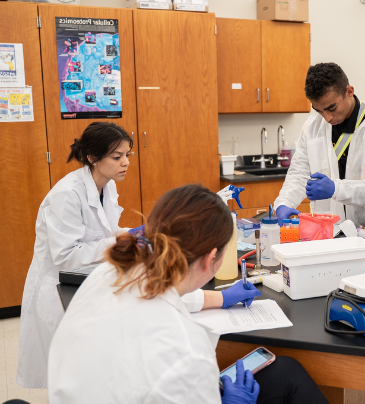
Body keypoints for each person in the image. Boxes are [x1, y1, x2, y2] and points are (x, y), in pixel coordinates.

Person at [48, 184, 330, 404]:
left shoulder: (109, 273)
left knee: (285, 372)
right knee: (288, 380)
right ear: (211, 260)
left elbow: (164, 294)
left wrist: (220, 298)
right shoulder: (188, 353)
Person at [16, 122, 218, 388]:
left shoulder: (106, 185)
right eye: (117, 157)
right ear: (92, 158)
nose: (125, 163)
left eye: (127, 156)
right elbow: (66, 255)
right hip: (58, 285)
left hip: (88, 278)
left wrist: (129, 234)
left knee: (89, 368)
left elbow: (104, 230)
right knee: (68, 373)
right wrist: (125, 239)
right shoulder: (66, 195)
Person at [274, 62, 365, 229]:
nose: (326, 118)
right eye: (318, 110)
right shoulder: (312, 127)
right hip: (333, 231)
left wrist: (336, 189)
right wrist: (283, 203)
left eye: (331, 108)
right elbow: (299, 174)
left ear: (349, 91)